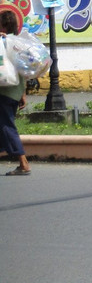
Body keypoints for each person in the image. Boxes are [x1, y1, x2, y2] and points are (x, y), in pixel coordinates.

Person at [0, 10, 31, 176]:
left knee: (6, 126)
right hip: (16, 91)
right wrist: (23, 94)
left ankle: (23, 162)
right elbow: (23, 70)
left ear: (4, 25)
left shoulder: (3, 42)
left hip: (4, 91)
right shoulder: (18, 43)